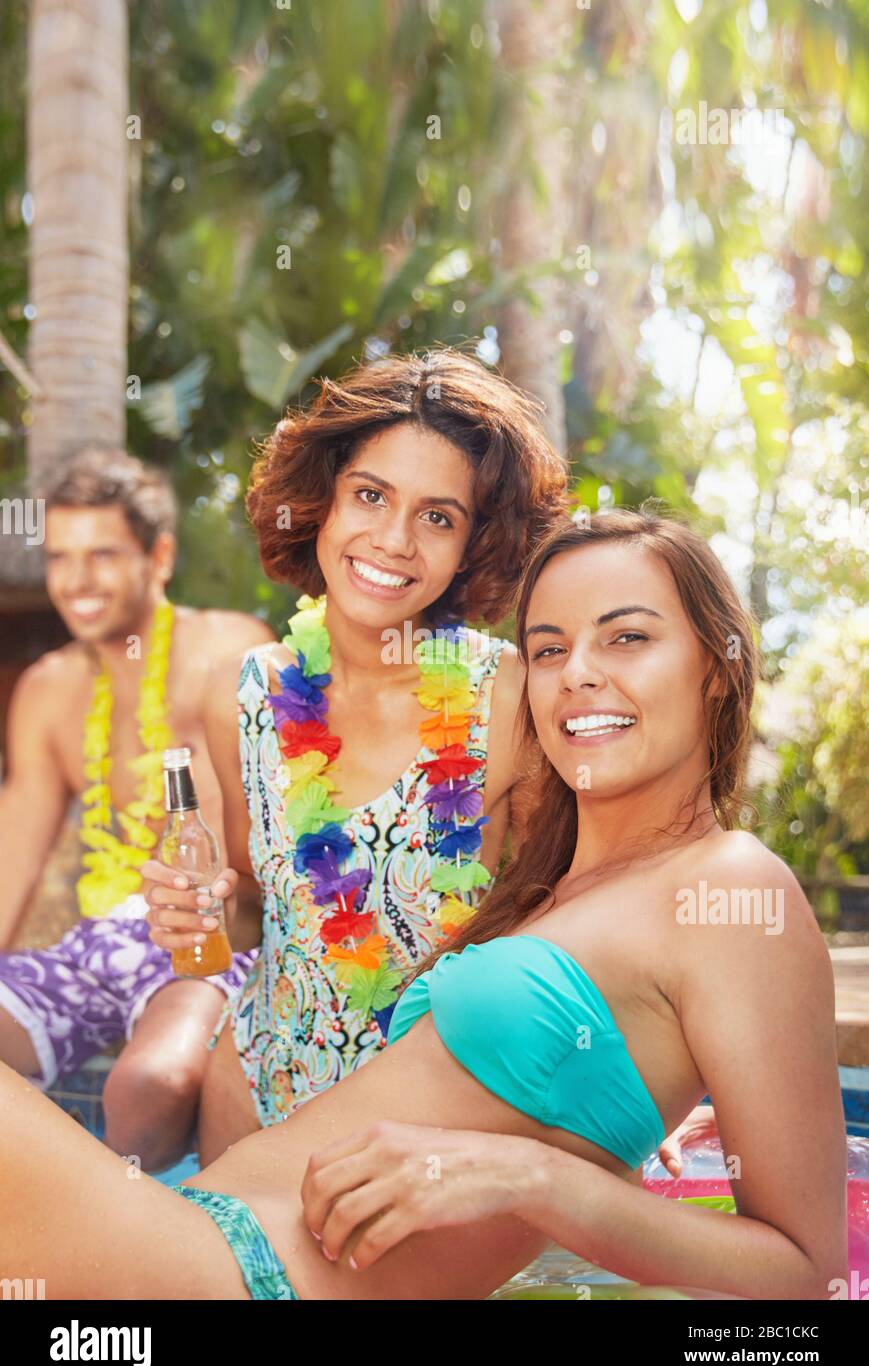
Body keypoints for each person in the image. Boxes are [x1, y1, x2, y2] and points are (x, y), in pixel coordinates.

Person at [0, 506, 845, 1300]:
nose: (578, 673)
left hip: (240, 1272)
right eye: (547, 651)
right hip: (198, 1228)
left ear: (718, 665)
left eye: (626, 638)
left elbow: (806, 1270)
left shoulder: (730, 883)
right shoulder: (541, 891)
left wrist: (536, 1180)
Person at [141, 347, 571, 1163]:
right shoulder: (246, 693)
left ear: (474, 543)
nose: (393, 539)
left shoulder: (508, 698)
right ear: (322, 505)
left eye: (437, 516)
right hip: (256, 1098)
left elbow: (563, 925)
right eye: (370, 496)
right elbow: (251, 912)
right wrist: (192, 906)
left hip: (426, 1135)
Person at [0, 448, 272, 1171]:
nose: (77, 582)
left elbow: (257, 856)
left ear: (159, 557)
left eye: (103, 555)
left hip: (210, 943)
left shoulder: (232, 650)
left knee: (150, 1084)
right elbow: (13, 857)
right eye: (60, 557)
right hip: (96, 948)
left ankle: (131, 1251)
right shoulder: (48, 688)